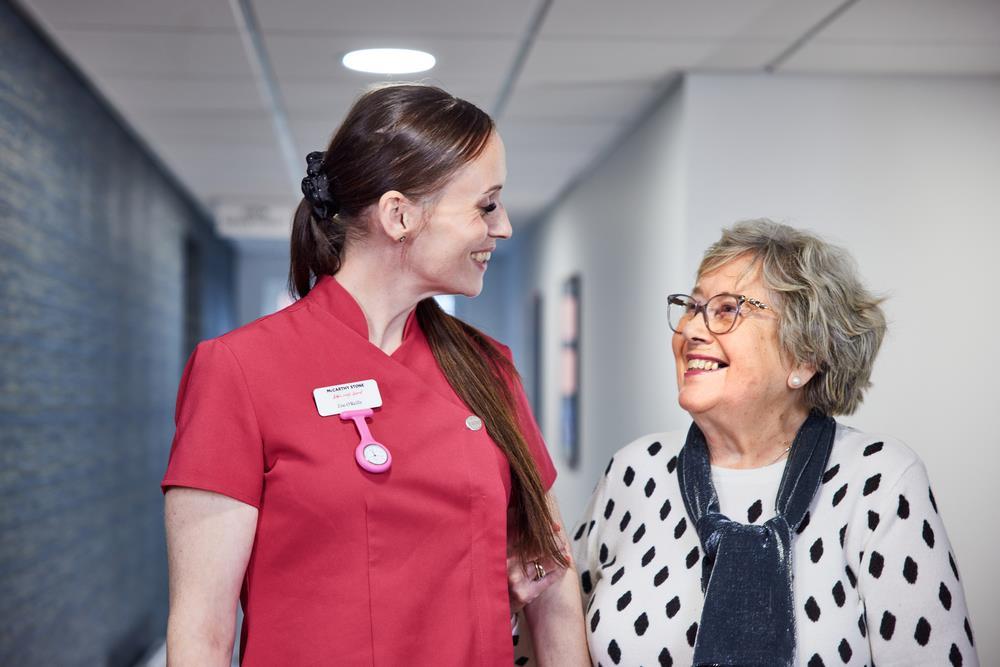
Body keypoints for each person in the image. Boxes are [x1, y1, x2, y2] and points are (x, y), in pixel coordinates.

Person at [162, 84, 587, 666]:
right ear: (399, 215)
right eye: (486, 205)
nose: (504, 226)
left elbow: (552, 578)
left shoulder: (487, 368)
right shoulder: (240, 370)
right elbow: (203, 634)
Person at [572, 220, 978, 666]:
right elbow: (553, 635)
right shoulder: (635, 471)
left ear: (804, 356)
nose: (690, 330)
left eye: (728, 309)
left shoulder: (878, 481)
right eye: (692, 306)